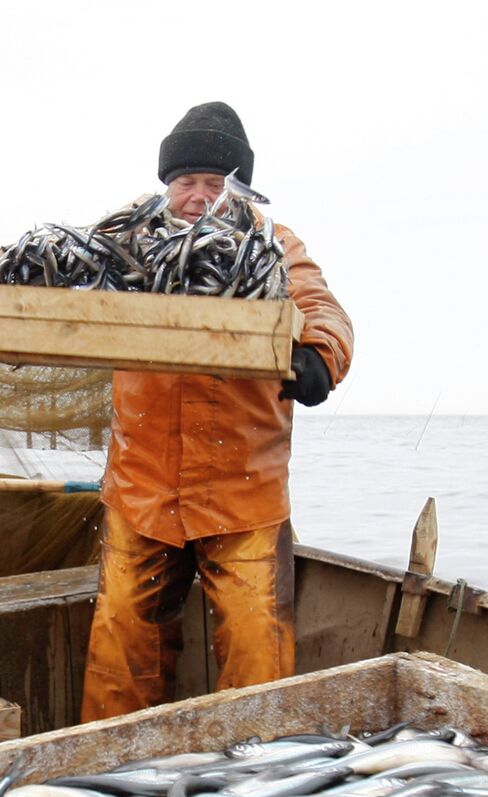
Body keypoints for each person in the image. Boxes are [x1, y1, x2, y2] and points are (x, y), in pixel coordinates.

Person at [80, 102, 354, 722]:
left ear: (241, 188)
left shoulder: (274, 245)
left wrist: (320, 357)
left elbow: (323, 308)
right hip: (140, 489)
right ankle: (111, 770)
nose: (198, 197)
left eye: (214, 183)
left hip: (244, 493)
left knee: (258, 646)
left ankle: (253, 776)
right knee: (122, 643)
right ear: (166, 185)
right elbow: (47, 283)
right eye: (186, 182)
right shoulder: (127, 242)